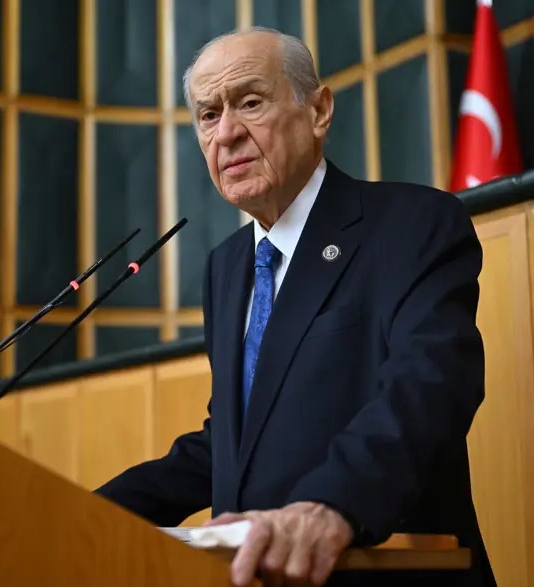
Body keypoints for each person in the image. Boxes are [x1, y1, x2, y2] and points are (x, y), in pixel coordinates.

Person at [96, 27, 496, 587]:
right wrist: (84, 513)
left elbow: (429, 387)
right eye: (208, 115)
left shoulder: (411, 225)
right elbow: (234, 443)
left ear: (318, 111)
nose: (226, 133)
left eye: (250, 103)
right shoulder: (227, 266)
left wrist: (333, 505)